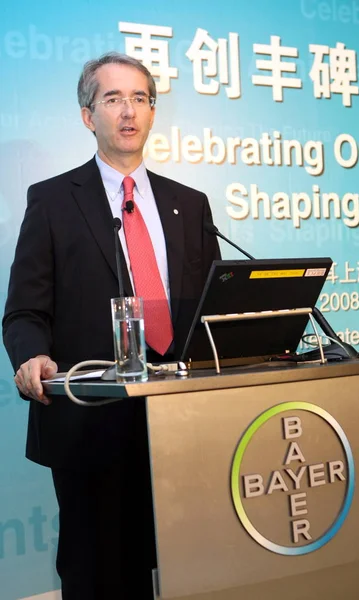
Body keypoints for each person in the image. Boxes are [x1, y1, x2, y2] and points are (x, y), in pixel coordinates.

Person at [2, 52, 220, 600]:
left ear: (152, 113)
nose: (129, 111)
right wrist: (32, 357)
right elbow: (25, 310)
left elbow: (211, 312)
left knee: (196, 567)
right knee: (100, 578)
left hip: (184, 422)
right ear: (87, 115)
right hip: (91, 425)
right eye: (113, 98)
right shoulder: (53, 201)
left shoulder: (188, 206)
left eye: (141, 98)